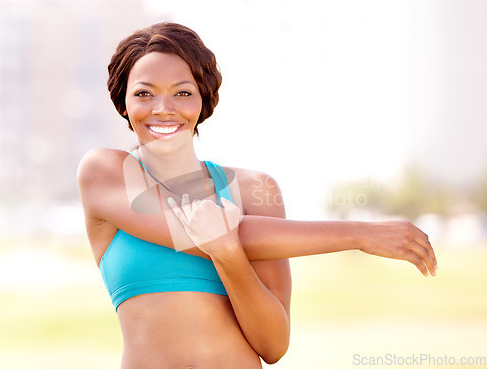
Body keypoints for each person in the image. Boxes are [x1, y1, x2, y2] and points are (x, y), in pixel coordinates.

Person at [77, 22, 437, 368]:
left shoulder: (254, 190)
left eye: (182, 92)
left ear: (204, 98)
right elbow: (190, 231)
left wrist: (230, 255)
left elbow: (273, 346)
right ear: (122, 103)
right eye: (144, 93)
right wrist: (361, 234)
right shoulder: (105, 171)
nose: (163, 108)